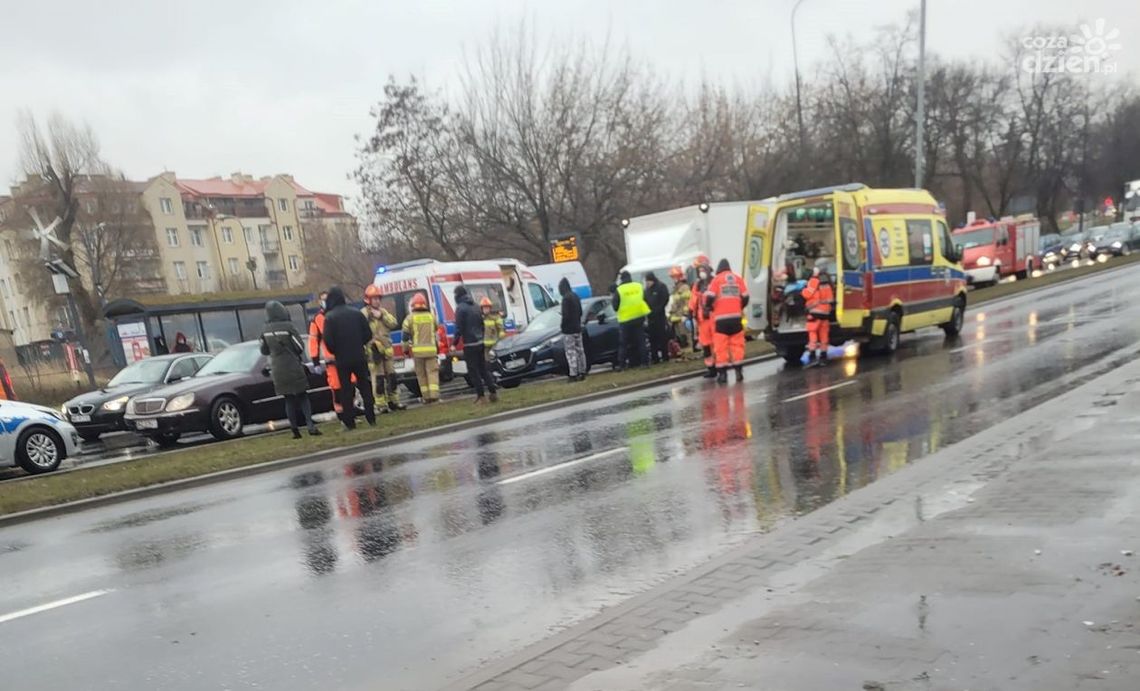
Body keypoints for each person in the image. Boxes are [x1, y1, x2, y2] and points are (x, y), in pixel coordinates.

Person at [259, 301, 320, 439]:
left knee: (289, 399)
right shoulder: (289, 327)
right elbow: (299, 347)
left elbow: (263, 350)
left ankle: (294, 429)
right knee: (303, 396)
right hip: (293, 366)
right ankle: (310, 425)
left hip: (277, 369)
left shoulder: (265, 330)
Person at [322, 286, 376, 429]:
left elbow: (328, 341)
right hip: (359, 355)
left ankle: (349, 422)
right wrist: (359, 343)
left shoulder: (330, 317)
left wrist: (336, 350)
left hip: (342, 359)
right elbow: (368, 334)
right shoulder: (356, 313)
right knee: (365, 386)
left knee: (346, 391)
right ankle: (371, 417)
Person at [705, 258, 750, 384]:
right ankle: (738, 372)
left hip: (721, 320)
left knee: (721, 347)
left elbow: (709, 297)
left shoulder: (716, 280)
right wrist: (739, 306)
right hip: (736, 318)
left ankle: (723, 375)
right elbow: (746, 297)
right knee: (737, 345)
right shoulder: (737, 279)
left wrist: (709, 307)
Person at [362, 284, 406, 413]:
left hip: (386, 350)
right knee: (379, 378)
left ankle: (394, 401)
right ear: (368, 300)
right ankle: (381, 405)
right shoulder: (364, 314)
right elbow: (361, 330)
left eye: (378, 298)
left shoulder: (383, 311)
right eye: (374, 298)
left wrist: (382, 315)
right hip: (373, 351)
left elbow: (394, 323)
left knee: (392, 376)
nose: (377, 301)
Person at [454, 285, 498, 404]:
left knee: (473, 371)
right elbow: (482, 325)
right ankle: (493, 392)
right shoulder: (476, 306)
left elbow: (459, 327)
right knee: (483, 369)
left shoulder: (460, 308)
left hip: (470, 344)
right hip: (480, 342)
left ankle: (481, 396)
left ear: (457, 296)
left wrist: (454, 343)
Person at [402, 292, 440, 403]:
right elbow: (436, 329)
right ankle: (434, 396)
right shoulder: (431, 317)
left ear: (413, 305)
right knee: (432, 373)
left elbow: (404, 337)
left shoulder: (409, 319)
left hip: (418, 353)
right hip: (431, 351)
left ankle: (426, 397)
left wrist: (405, 351)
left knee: (421, 375)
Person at [613, 270, 650, 369]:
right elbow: (645, 299)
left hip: (625, 319)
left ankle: (622, 364)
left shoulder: (619, 290)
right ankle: (645, 362)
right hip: (639, 317)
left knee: (624, 343)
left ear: (621, 279)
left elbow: (615, 306)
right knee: (641, 341)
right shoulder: (638, 286)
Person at [801, 260, 835, 366]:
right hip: (825, 312)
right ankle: (823, 355)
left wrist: (803, 290)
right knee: (824, 334)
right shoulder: (827, 282)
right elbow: (830, 299)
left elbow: (807, 294)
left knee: (812, 333)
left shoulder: (814, 281)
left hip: (814, 311)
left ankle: (812, 355)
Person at [688, 255, 717, 378]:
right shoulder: (698, 284)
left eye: (702, 269)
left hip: (714, 318)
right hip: (702, 320)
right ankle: (711, 368)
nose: (701, 272)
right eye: (699, 270)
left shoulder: (715, 281)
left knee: (716, 345)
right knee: (706, 345)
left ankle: (720, 367)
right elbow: (694, 299)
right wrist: (690, 311)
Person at [559, 277, 586, 382]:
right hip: (577, 328)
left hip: (568, 330)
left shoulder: (565, 299)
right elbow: (580, 312)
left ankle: (573, 374)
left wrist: (563, 326)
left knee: (571, 352)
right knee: (580, 351)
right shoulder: (576, 296)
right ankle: (582, 371)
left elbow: (565, 315)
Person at [644, 272, 671, 364]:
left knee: (662, 337)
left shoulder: (661, 287)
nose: (647, 283)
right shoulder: (647, 290)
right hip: (650, 317)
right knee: (653, 339)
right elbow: (645, 300)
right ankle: (655, 358)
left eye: (648, 281)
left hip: (659, 316)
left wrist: (659, 309)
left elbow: (665, 299)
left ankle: (665, 356)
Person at [667, 267, 692, 348]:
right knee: (679, 338)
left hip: (682, 317)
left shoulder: (684, 287)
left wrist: (685, 314)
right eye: (672, 277)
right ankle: (683, 354)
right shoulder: (675, 288)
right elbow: (674, 303)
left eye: (674, 277)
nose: (673, 279)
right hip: (676, 317)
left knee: (685, 336)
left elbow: (687, 302)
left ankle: (689, 354)